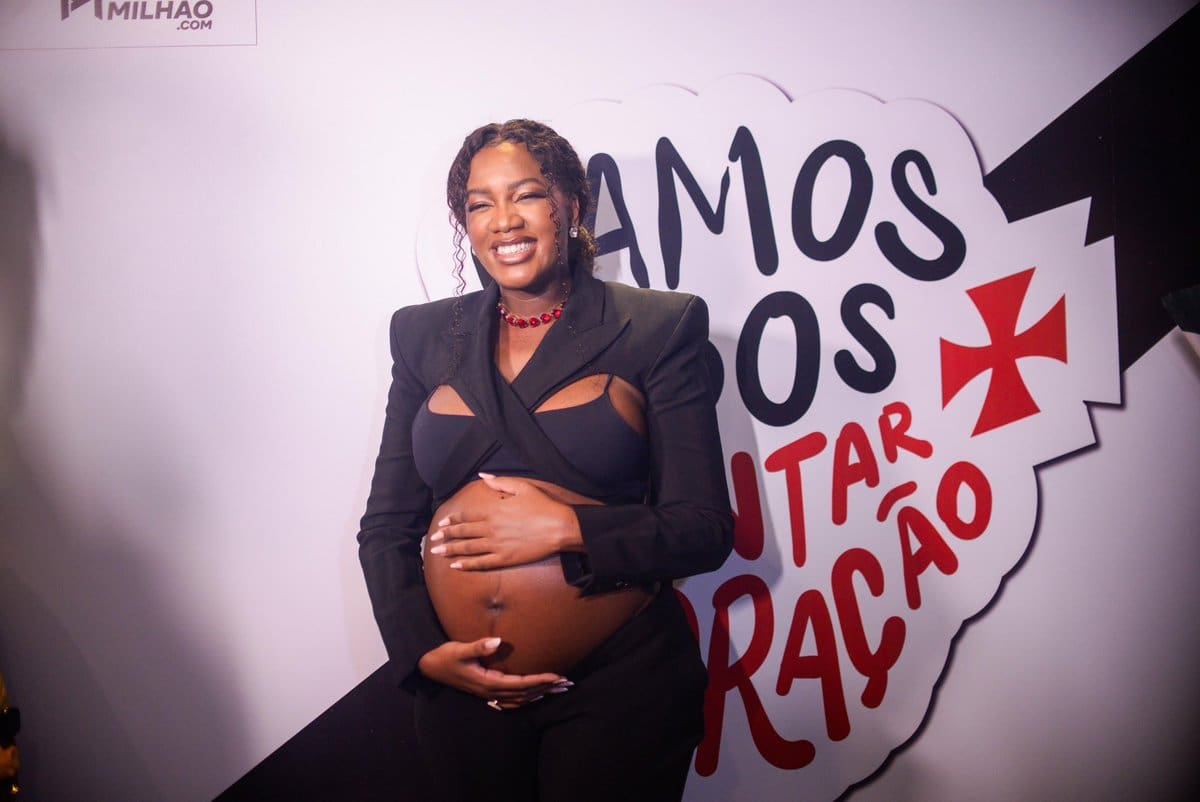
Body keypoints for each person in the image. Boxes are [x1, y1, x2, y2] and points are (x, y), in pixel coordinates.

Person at [358, 119, 733, 801]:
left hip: (621, 687)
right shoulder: (421, 335)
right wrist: (423, 652)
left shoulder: (657, 326)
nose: (504, 220)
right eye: (480, 204)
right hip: (463, 696)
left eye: (527, 195)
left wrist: (566, 529)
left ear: (572, 206)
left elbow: (704, 528)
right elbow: (386, 525)